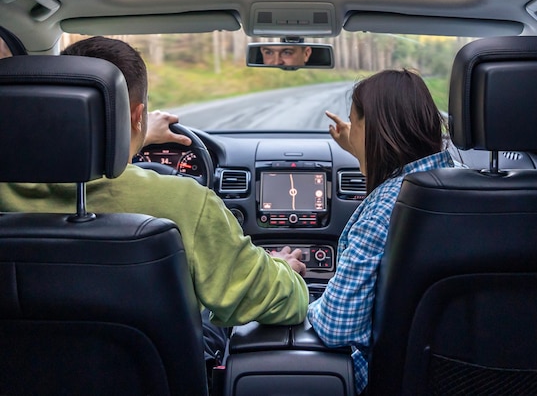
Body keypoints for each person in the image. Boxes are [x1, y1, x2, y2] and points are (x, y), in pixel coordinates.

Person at [0, 36, 308, 369]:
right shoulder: (184, 202)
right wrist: (285, 270)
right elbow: (277, 303)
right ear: (138, 115)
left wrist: (137, 135)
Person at [307, 69, 454, 396]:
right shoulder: (460, 183)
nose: (350, 130)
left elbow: (336, 327)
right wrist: (363, 150)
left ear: (372, 129)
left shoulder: (387, 206)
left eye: (353, 121)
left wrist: (307, 300)